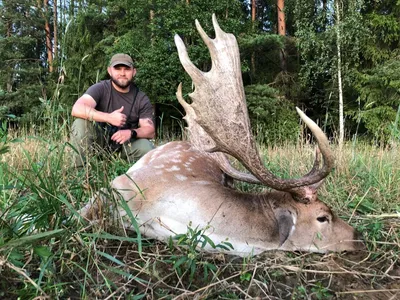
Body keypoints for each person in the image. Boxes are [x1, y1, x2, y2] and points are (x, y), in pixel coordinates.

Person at [70, 53, 155, 167]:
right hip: (98, 145)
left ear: (134, 72)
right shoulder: (100, 88)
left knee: (147, 147)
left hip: (125, 147)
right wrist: (108, 117)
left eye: (127, 69)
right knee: (80, 124)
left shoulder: (141, 98)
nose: (122, 73)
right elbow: (77, 108)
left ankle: (135, 176)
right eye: (118, 68)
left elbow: (150, 130)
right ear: (109, 71)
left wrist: (131, 133)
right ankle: (80, 173)